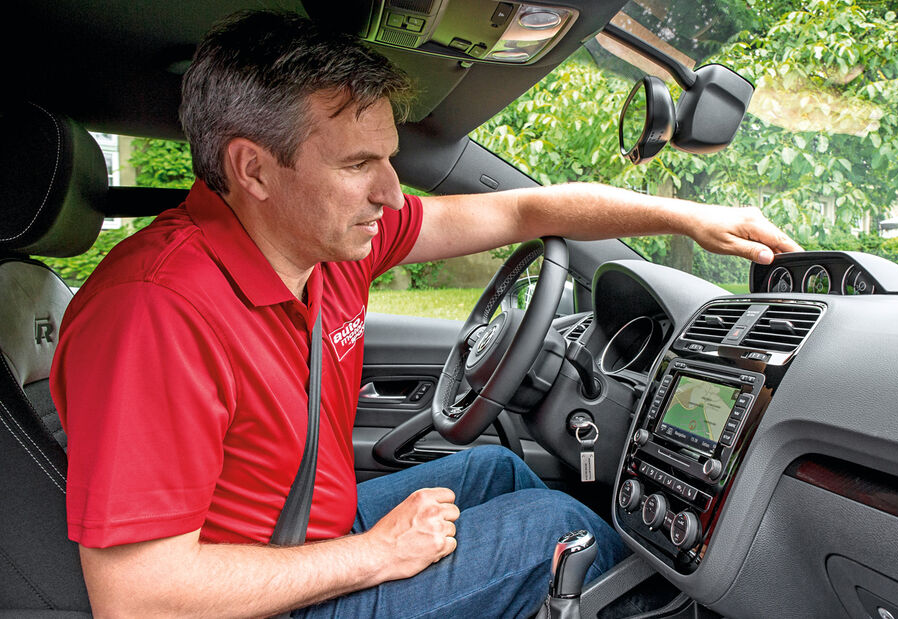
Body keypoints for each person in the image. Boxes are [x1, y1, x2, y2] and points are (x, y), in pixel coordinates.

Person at [51, 10, 801, 618]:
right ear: (253, 169)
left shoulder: (330, 244)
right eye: (356, 165)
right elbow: (138, 597)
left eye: (390, 157)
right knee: (558, 530)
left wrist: (688, 217)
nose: (391, 192)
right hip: (253, 596)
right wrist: (377, 554)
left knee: (497, 466)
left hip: (305, 528)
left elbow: (527, 207)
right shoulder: (154, 313)